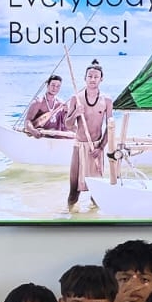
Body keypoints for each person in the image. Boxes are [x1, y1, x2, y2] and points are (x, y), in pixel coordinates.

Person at [64, 60, 112, 209]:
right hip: (79, 147)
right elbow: (68, 124)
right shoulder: (76, 98)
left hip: (96, 149)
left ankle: (95, 223)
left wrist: (101, 148)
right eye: (89, 76)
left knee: (97, 193)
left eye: (96, 76)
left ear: (101, 79)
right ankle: (68, 218)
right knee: (73, 192)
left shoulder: (107, 100)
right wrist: (75, 113)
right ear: (85, 78)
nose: (92, 79)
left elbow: (110, 127)